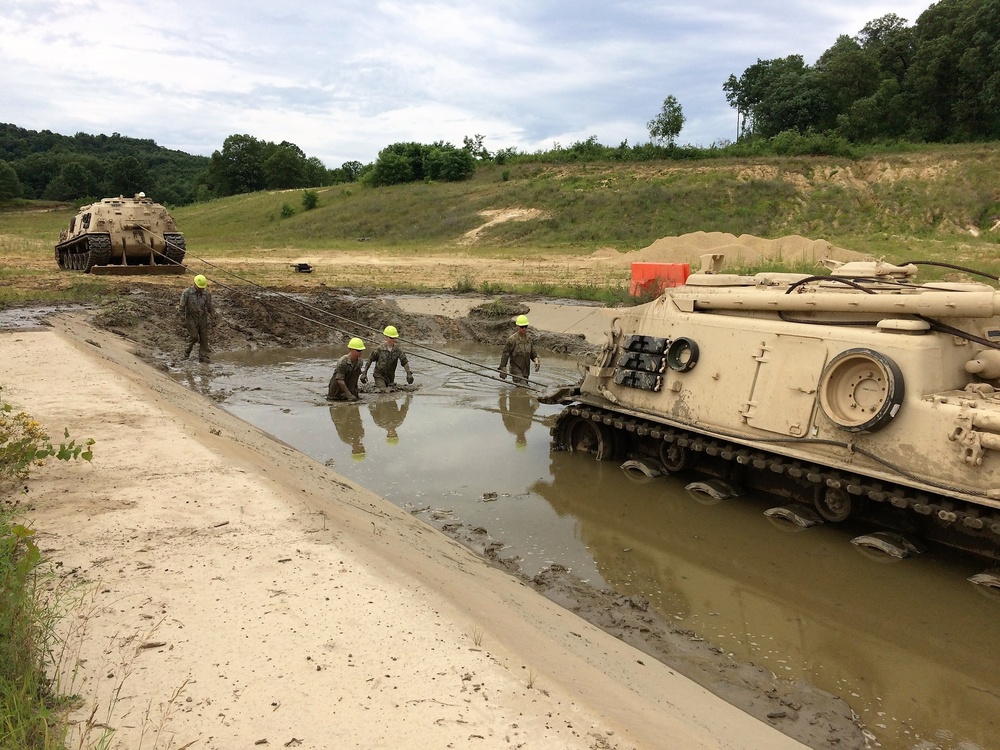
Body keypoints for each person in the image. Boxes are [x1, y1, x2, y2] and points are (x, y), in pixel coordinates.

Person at [179, 274, 217, 363]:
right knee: (194, 336)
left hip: (203, 318)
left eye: (202, 288)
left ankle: (203, 356)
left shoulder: (206, 294)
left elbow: (210, 306)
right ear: (194, 284)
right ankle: (186, 353)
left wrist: (213, 317)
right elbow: (181, 307)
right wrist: (183, 320)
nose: (201, 289)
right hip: (191, 318)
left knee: (204, 337)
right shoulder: (187, 293)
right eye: (199, 287)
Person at [362, 325, 414, 390]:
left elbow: (404, 362)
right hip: (379, 375)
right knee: (384, 391)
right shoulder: (379, 349)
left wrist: (409, 373)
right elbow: (370, 359)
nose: (392, 340)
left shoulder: (398, 350)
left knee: (392, 391)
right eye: (391, 338)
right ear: (386, 337)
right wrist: (364, 373)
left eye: (394, 338)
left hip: (390, 377)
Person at [498, 314, 540, 386]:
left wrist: (536, 360)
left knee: (523, 386)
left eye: (525, 326)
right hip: (515, 369)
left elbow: (533, 352)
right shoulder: (512, 340)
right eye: (522, 327)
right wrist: (503, 368)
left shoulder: (529, 338)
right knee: (524, 387)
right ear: (517, 326)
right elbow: (505, 354)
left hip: (526, 370)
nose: (524, 329)